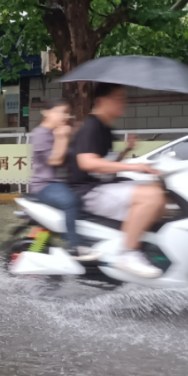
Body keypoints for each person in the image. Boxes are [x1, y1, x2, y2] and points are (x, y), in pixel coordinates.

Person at [67, 83, 165, 278]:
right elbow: (88, 162)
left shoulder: (106, 129)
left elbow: (106, 163)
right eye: (119, 98)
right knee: (151, 197)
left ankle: (141, 246)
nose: (124, 103)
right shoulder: (91, 126)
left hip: (103, 185)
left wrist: (127, 151)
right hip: (89, 192)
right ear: (102, 101)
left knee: (159, 193)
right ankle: (127, 254)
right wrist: (134, 167)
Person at [29, 99, 98, 261]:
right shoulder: (41, 133)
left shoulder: (57, 132)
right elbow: (55, 161)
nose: (64, 116)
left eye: (66, 113)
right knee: (70, 201)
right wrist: (62, 137)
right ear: (47, 113)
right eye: (60, 112)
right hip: (44, 185)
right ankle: (74, 246)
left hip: (59, 183)